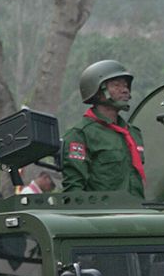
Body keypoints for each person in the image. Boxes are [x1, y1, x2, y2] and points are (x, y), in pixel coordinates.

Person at [62, 59, 147, 196]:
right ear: (98, 90)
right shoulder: (80, 135)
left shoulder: (133, 133)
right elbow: (74, 190)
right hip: (102, 214)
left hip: (135, 212)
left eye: (125, 85)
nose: (125, 90)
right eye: (116, 85)